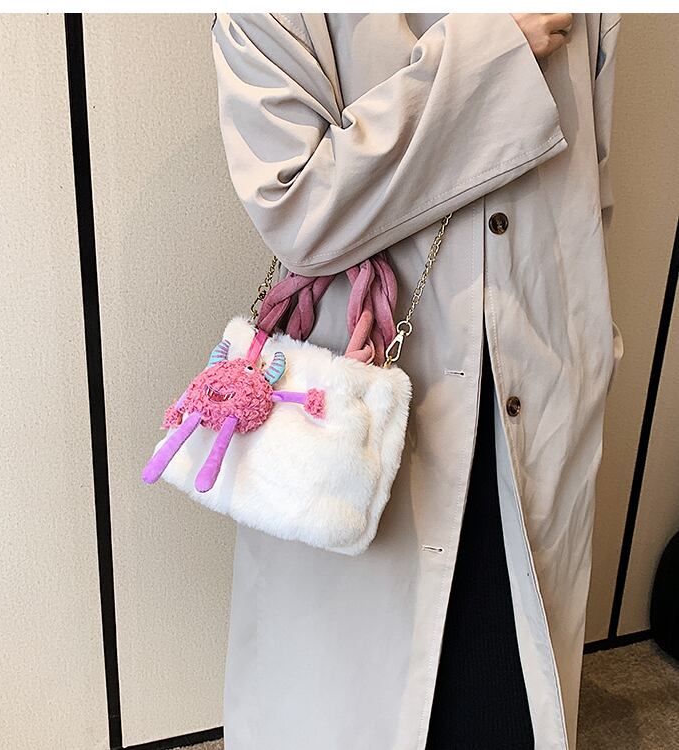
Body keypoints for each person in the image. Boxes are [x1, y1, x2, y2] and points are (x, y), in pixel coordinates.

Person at [210, 12, 623, 750]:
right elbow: (297, 209)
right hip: (358, 410)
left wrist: (593, 343)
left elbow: (593, 175)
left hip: (534, 387)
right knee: (357, 702)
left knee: (509, 697)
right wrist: (489, 61)